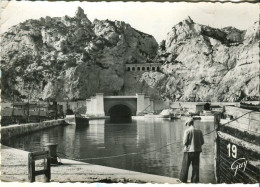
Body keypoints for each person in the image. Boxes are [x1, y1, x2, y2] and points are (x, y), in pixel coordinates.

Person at [179, 118, 204, 183]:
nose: (186, 125)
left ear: (189, 123)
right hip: (197, 151)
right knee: (195, 167)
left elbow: (184, 142)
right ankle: (194, 181)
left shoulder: (187, 131)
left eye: (186, 124)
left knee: (185, 166)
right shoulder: (199, 131)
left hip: (188, 151)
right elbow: (202, 142)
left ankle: (183, 180)